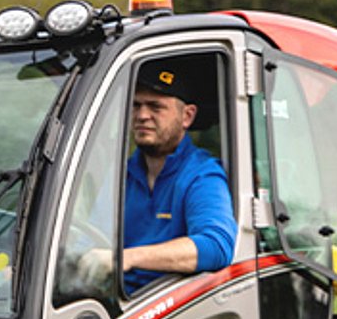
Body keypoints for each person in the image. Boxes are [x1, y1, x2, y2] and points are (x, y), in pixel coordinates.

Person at [96, 64, 237, 292]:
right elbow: (91, 237)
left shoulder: (201, 174)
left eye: (156, 107)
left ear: (187, 116)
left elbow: (216, 246)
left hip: (169, 304)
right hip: (115, 299)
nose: (142, 115)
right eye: (136, 105)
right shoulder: (121, 175)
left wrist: (128, 258)